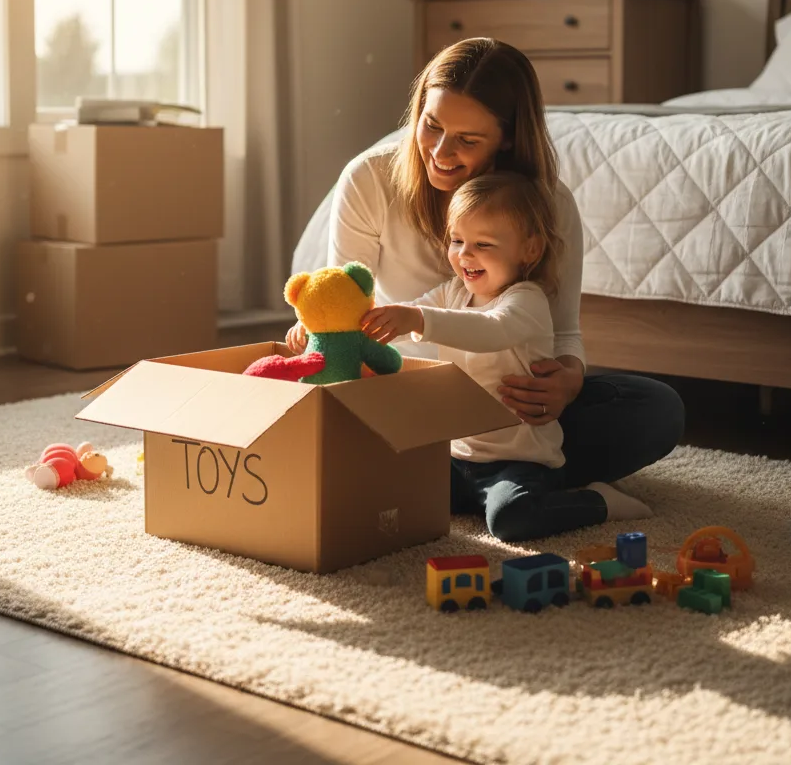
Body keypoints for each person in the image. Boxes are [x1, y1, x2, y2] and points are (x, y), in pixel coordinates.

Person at [286, 37, 684, 539]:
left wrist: (568, 380)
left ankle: (506, 480)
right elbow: (342, 309)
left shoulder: (547, 206)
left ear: (509, 140)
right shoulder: (371, 179)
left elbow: (561, 333)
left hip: (507, 415)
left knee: (657, 409)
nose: (439, 151)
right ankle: (510, 484)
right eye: (431, 126)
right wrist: (318, 329)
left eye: (468, 141)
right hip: (410, 405)